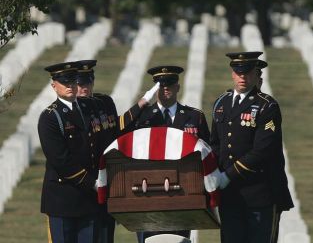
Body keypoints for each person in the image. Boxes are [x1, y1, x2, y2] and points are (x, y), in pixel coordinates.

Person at [38, 61, 158, 243]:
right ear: (54, 86)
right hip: (64, 200)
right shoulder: (50, 118)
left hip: (90, 201)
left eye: (73, 81)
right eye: (66, 82)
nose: (72, 86)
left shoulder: (90, 108)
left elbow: (111, 132)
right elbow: (61, 161)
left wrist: (141, 105)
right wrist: (93, 183)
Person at [210, 52, 294, 243]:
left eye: (247, 73)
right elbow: (215, 143)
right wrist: (212, 172)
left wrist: (227, 175)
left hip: (259, 194)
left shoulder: (267, 106)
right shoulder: (221, 103)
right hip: (230, 195)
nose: (242, 77)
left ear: (256, 75)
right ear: (232, 74)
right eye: (238, 73)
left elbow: (262, 151)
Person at [134, 65, 210, 243]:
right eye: (161, 84)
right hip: (149, 194)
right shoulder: (142, 117)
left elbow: (207, 152)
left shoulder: (194, 117)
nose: (166, 87)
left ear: (178, 87)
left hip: (183, 192)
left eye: (170, 83)